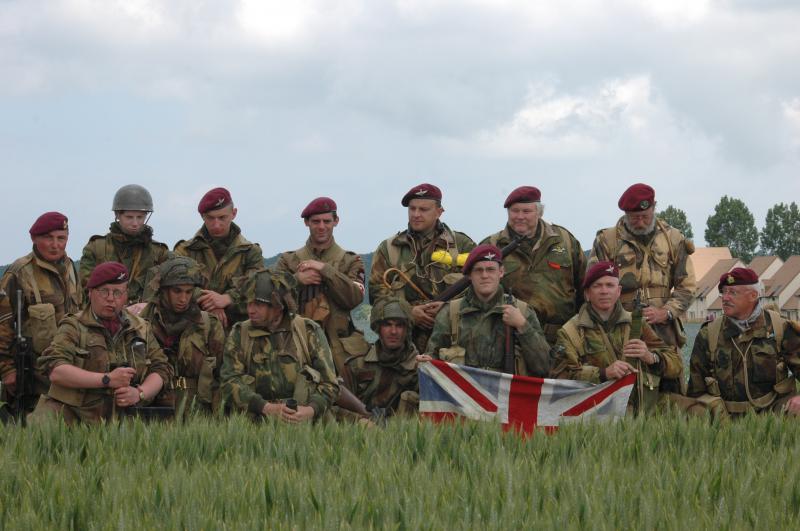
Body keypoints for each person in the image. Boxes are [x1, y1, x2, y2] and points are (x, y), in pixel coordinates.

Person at [32, 262, 172, 424]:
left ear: (126, 296)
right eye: (104, 291)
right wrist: (107, 379)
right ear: (90, 293)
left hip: (124, 420)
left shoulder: (141, 328)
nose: (111, 299)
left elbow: (161, 369)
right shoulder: (74, 326)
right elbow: (56, 370)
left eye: (117, 292)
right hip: (75, 417)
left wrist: (139, 393)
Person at [550, 261, 683, 414]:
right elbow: (560, 378)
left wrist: (651, 357)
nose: (604, 291)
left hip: (644, 411)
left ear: (618, 291)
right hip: (596, 414)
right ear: (587, 293)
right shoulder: (570, 332)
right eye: (597, 286)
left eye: (610, 285)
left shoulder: (637, 324)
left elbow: (676, 364)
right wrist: (603, 373)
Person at [220, 270, 339, 423]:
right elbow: (228, 381)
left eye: (258, 304)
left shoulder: (308, 331)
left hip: (303, 422)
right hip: (255, 423)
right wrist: (266, 408)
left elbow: (330, 384)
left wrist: (310, 410)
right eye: (248, 303)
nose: (250, 310)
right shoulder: (240, 333)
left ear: (278, 307)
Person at [369, 183, 475, 352]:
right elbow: (377, 296)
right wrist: (409, 313)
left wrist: (447, 310)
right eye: (412, 209)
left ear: (439, 212)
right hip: (403, 346)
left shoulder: (462, 246)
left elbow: (480, 289)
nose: (416, 215)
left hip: (452, 343)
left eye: (424, 209)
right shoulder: (389, 249)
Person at [589, 183, 696, 350]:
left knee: (668, 372)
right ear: (625, 214)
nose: (640, 223)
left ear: (653, 208)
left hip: (663, 331)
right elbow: (593, 287)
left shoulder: (674, 239)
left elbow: (687, 287)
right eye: (634, 217)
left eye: (645, 216)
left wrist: (666, 312)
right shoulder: (607, 241)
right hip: (619, 328)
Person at [686, 267, 800, 419]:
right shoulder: (709, 333)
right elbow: (696, 390)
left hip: (773, 410)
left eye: (733, 293)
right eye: (724, 292)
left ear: (753, 295)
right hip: (723, 415)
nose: (725, 298)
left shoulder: (780, 327)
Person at [0, 212, 83, 419]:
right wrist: (7, 369)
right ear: (34, 239)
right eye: (48, 238)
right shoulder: (19, 272)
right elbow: (3, 325)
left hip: (70, 367)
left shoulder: (71, 268)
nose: (55, 244)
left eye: (61, 238)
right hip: (33, 374)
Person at [420, 244, 549, 376]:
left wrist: (522, 326)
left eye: (491, 269)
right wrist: (426, 361)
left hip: (506, 394)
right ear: (469, 275)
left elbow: (544, 367)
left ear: (501, 272)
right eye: (478, 270)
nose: (485, 275)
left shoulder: (522, 311)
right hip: (462, 394)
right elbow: (431, 361)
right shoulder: (451, 313)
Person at [481, 186, 586, 346]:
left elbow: (585, 286)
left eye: (526, 211)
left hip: (562, 338)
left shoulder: (564, 240)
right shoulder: (492, 247)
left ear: (539, 212)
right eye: (514, 211)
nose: (520, 217)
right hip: (511, 338)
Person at [274, 197, 365, 375]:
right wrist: (297, 280)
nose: (321, 226)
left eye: (327, 221)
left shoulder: (351, 261)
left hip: (338, 348)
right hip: (295, 342)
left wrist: (326, 270)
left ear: (336, 222)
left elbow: (354, 298)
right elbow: (271, 299)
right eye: (316, 221)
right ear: (307, 223)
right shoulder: (288, 260)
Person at [140, 256, 225, 415]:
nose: (183, 299)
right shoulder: (142, 324)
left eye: (188, 291)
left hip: (198, 412)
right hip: (154, 411)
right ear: (164, 290)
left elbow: (222, 377)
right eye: (177, 291)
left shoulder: (209, 325)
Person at [174, 187, 264, 328]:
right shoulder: (185, 250)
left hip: (240, 331)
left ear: (233, 213)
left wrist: (228, 299)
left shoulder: (251, 252)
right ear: (203, 216)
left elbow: (257, 289)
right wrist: (212, 303)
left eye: (222, 217)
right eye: (210, 218)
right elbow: (175, 286)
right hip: (193, 328)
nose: (216, 225)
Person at [79, 184, 170, 311]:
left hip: (145, 320)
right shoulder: (96, 248)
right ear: (117, 215)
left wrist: (150, 304)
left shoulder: (159, 252)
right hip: (105, 317)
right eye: (129, 217)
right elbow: (87, 287)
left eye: (140, 217)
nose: (135, 223)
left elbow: (175, 283)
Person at [341, 298, 419, 416]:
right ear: (378, 328)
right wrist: (360, 421)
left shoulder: (418, 369)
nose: (393, 331)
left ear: (407, 330)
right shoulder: (356, 365)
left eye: (399, 326)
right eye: (387, 325)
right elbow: (334, 407)